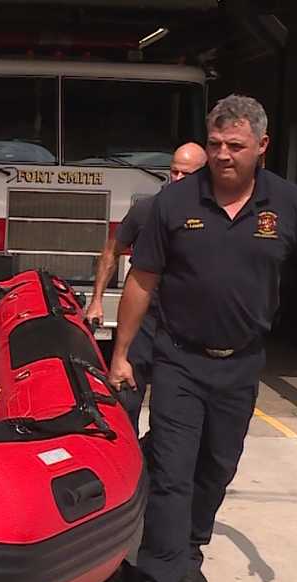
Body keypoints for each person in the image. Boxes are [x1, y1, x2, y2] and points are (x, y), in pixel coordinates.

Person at [106, 95, 297, 582]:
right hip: (179, 359)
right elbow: (142, 281)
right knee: (174, 476)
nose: (223, 155)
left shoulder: (292, 205)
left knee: (216, 469)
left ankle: (190, 552)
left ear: (262, 146)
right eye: (214, 144)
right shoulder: (175, 202)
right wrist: (121, 350)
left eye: (235, 146)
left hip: (243, 364)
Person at [87, 142, 207, 434]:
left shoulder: (215, 218)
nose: (177, 180)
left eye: (186, 175)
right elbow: (110, 253)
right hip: (143, 319)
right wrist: (97, 300)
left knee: (177, 407)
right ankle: (126, 452)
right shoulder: (148, 209)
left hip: (187, 324)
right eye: (174, 172)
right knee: (127, 392)